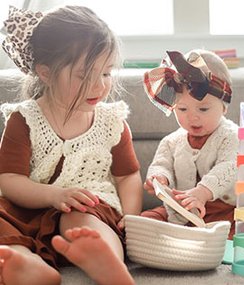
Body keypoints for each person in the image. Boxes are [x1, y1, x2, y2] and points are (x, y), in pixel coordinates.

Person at [0, 5, 142, 285]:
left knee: (82, 220)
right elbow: (9, 179)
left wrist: (132, 217)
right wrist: (51, 195)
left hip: (86, 205)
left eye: (105, 73)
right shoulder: (24, 119)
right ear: (46, 72)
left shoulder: (111, 122)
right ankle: (25, 264)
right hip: (29, 209)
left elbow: (128, 176)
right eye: (84, 76)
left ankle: (107, 262)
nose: (100, 86)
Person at [141, 49, 239, 239]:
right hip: (180, 212)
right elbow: (162, 163)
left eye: (203, 108)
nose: (192, 117)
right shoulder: (171, 141)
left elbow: (230, 167)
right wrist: (159, 177)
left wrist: (202, 192)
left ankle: (198, 240)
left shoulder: (231, 136)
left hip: (224, 211)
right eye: (183, 108)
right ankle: (145, 235)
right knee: (146, 220)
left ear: (224, 105)